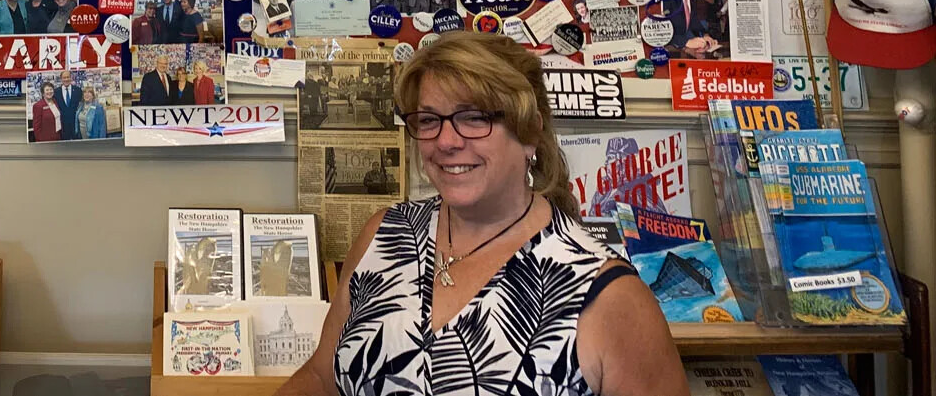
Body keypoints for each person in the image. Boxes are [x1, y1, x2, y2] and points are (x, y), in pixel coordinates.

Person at [279, 31, 687, 396]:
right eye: (429, 120)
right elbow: (320, 378)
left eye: (474, 118)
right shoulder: (385, 235)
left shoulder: (608, 295)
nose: (447, 141)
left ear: (530, 134)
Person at [54, 70, 83, 141]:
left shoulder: (78, 90)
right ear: (61, 79)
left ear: (71, 78)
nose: (66, 79)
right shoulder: (56, 92)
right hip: (63, 127)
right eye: (64, 77)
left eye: (68, 77)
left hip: (75, 125)